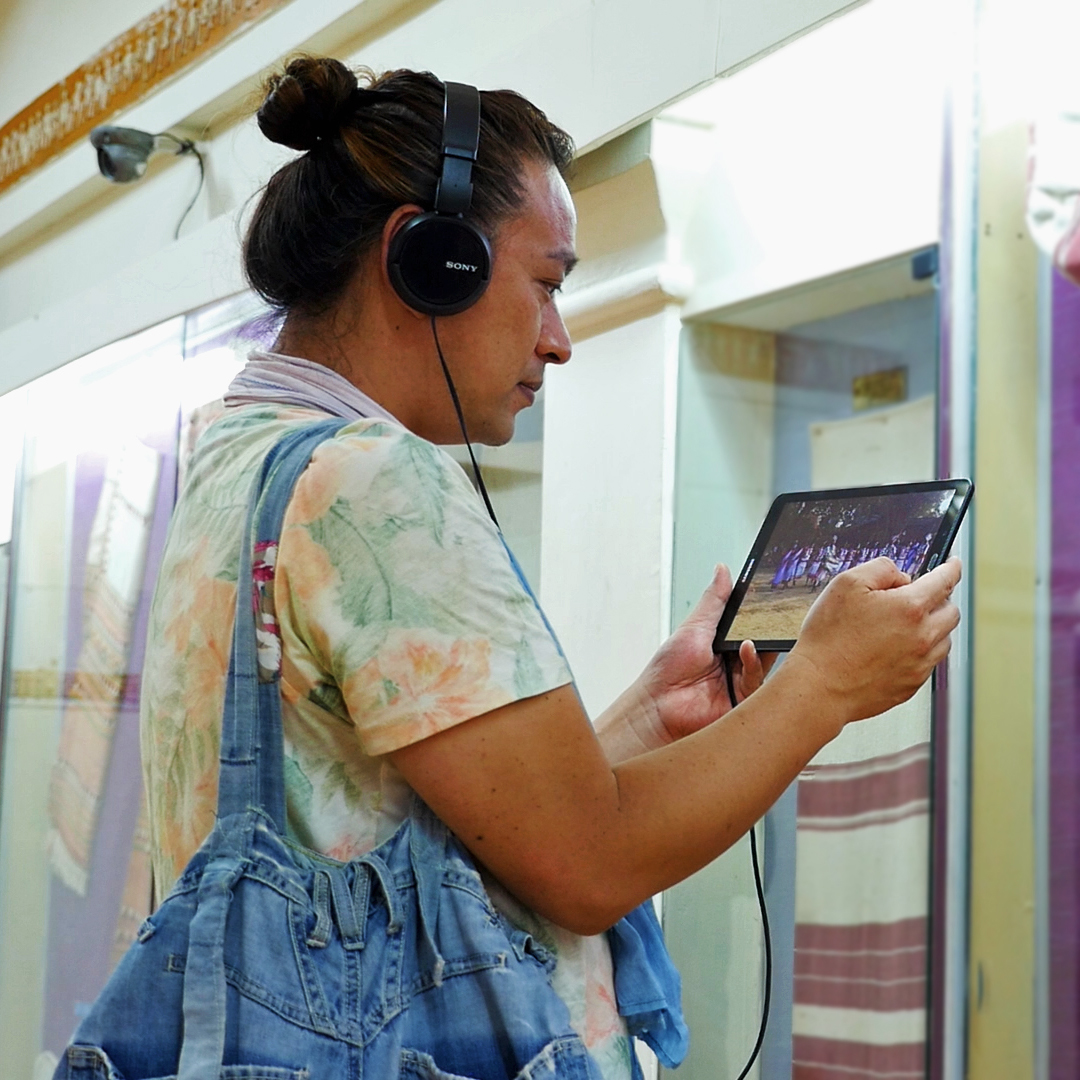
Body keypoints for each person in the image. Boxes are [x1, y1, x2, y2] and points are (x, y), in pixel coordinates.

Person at [140, 57, 962, 1080]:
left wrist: (647, 721)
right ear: (428, 260)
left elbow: (426, 835)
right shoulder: (375, 482)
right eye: (547, 282)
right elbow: (588, 867)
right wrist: (823, 686)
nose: (560, 340)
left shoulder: (239, 456)